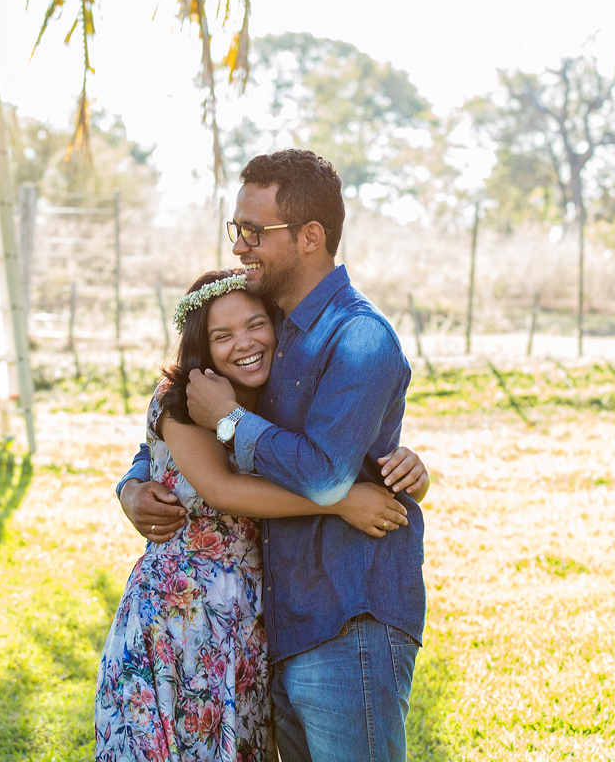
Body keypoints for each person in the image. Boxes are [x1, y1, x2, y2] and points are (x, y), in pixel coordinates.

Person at [118, 149, 427, 762]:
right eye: (238, 230)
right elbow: (184, 419)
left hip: (349, 618)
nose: (240, 247)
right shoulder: (270, 329)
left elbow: (324, 471)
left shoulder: (359, 337)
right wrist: (131, 484)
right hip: (275, 623)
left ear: (311, 237)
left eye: (254, 232)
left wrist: (232, 422)